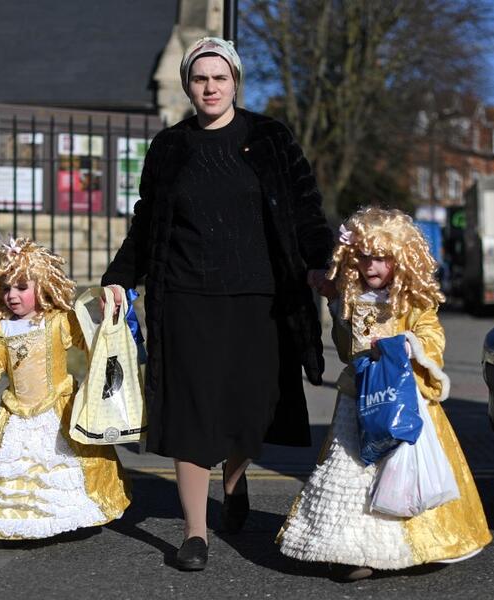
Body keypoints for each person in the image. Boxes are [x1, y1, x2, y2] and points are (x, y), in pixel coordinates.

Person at [101, 37, 334, 570]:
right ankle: (195, 532)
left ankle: (234, 479)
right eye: (200, 78)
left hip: (260, 297)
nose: (210, 87)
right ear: (188, 85)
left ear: (235, 82)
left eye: (220, 78)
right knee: (192, 412)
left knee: (250, 406)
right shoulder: (169, 147)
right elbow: (147, 221)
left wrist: (320, 263)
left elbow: (304, 209)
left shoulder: (269, 137)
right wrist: (120, 278)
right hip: (185, 296)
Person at [277, 207, 491, 579]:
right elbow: (347, 351)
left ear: (401, 258)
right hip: (358, 397)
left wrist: (410, 346)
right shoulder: (352, 297)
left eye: (381, 258)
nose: (370, 266)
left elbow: (431, 335)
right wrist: (339, 310)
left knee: (405, 472)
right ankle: (352, 551)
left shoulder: (413, 300)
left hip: (404, 398)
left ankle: (419, 544)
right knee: (352, 474)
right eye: (363, 257)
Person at [0, 237, 131, 539]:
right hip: (16, 415)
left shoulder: (58, 321)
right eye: (6, 287)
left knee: (60, 465)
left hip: (58, 410)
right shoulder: (0, 328)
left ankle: (63, 519)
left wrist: (105, 331)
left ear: (43, 286)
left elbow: (90, 340)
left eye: (22, 287)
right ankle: (19, 524)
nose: (12, 295)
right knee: (16, 467)